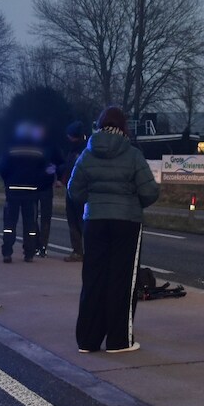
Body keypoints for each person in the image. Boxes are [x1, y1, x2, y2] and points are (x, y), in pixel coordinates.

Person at [68, 106, 159, 353]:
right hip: (126, 222)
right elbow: (150, 191)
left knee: (93, 278)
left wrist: (93, 200)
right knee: (122, 279)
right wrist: (133, 201)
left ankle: (88, 339)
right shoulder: (132, 155)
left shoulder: (87, 155)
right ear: (124, 127)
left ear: (100, 125)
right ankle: (119, 340)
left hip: (95, 221)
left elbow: (73, 191)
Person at [0, 122, 49, 263]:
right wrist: (38, 184)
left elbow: (2, 168)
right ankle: (29, 253)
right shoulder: (38, 151)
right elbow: (44, 171)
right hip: (31, 192)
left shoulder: (10, 149)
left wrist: (8, 182)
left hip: (13, 190)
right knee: (30, 225)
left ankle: (7, 252)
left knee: (9, 223)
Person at [32, 122, 64, 259]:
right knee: (31, 218)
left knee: (45, 218)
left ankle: (43, 247)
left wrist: (59, 178)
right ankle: (35, 244)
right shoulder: (30, 146)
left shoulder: (52, 147)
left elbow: (61, 162)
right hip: (31, 186)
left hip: (45, 187)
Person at [59, 121, 88, 262]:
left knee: (79, 222)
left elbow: (72, 170)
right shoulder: (76, 150)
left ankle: (81, 251)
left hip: (80, 192)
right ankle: (78, 251)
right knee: (74, 221)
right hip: (72, 190)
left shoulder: (82, 151)